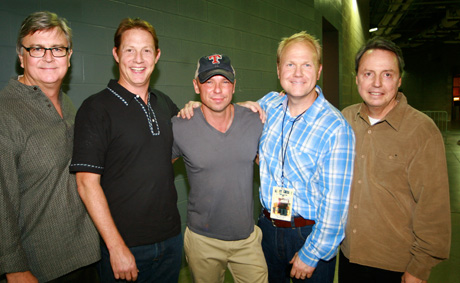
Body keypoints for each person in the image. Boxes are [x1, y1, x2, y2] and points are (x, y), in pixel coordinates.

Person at [0, 11, 100, 282]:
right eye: (37, 48)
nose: (48, 57)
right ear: (21, 56)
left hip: (86, 260)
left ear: (69, 56)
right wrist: (14, 271)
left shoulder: (69, 106)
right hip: (39, 271)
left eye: (58, 49)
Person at [69, 18, 182, 282]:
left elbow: (171, 152)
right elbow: (86, 184)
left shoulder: (163, 103)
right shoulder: (96, 108)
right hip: (125, 247)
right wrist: (116, 246)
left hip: (171, 240)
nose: (138, 59)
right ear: (116, 54)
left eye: (146, 50)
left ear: (157, 55)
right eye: (129, 50)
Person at [338, 37, 451, 283]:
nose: (377, 83)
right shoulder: (345, 120)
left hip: (396, 266)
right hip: (348, 258)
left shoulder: (422, 131)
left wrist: (419, 268)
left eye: (387, 75)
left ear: (399, 80)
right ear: (357, 77)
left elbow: (434, 207)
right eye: (368, 73)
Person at [256, 31, 355, 282]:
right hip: (268, 228)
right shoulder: (269, 106)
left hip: (308, 235)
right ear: (278, 70)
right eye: (290, 64)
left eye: (306, 65)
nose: (297, 73)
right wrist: (198, 107)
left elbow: (336, 204)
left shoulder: (335, 128)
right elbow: (231, 117)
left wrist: (312, 254)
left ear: (319, 70)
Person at [172, 54, 268, 283]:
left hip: (246, 239)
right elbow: (153, 171)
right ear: (196, 86)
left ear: (234, 86)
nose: (217, 90)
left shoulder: (255, 121)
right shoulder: (180, 126)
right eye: (208, 82)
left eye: (224, 81)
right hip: (202, 242)